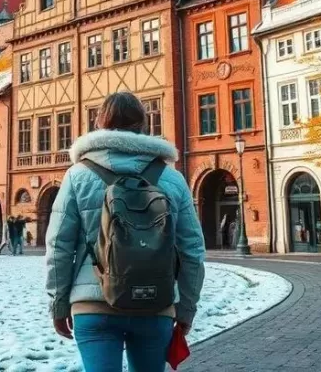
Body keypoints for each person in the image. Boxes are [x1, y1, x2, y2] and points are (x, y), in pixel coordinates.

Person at [45, 92, 205, 372]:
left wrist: (58, 304)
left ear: (100, 123)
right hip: (155, 302)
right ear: (143, 124)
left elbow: (59, 245)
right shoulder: (172, 178)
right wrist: (186, 309)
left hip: (93, 304)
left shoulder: (78, 175)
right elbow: (192, 249)